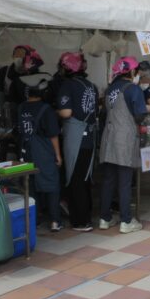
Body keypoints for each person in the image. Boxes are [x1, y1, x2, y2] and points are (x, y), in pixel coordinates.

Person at [99, 56, 147, 233]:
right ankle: (126, 221)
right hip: (124, 138)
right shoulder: (133, 89)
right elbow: (140, 114)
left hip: (108, 137)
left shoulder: (110, 89)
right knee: (125, 181)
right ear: (132, 71)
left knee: (108, 180)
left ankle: (105, 218)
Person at [56, 52, 99, 232]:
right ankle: (87, 216)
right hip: (90, 136)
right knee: (85, 177)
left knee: (74, 178)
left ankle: (80, 221)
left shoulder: (68, 85)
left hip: (75, 137)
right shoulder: (92, 85)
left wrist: (54, 111)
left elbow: (66, 112)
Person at [17, 74, 63, 232]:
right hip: (43, 152)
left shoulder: (21, 108)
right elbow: (53, 135)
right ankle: (55, 221)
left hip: (25, 150)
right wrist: (58, 155)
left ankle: (34, 219)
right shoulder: (47, 109)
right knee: (52, 184)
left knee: (31, 185)